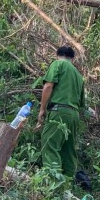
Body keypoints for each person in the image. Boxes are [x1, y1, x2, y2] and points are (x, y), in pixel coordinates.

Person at [38, 46, 86, 182]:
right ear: (73, 58)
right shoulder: (78, 75)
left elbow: (48, 86)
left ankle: (53, 182)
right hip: (74, 114)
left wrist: (42, 109)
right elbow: (82, 103)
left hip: (59, 111)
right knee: (68, 150)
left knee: (50, 144)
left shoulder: (58, 64)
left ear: (58, 55)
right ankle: (68, 183)